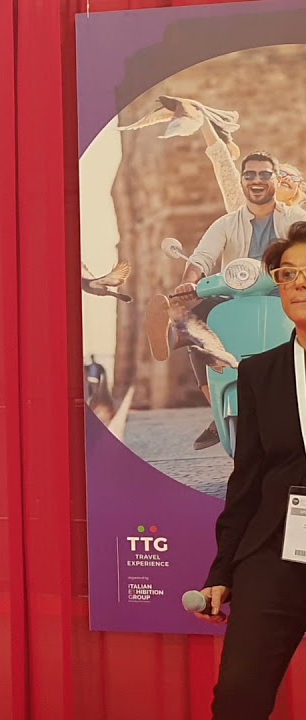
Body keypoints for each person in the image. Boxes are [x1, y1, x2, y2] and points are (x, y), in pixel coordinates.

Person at [194, 221, 306, 719]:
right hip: (274, 551)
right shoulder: (260, 371)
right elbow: (247, 480)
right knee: (238, 697)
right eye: (287, 274)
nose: (298, 284)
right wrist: (222, 569)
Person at [146, 151, 306, 450]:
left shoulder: (295, 218)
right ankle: (176, 338)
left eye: (264, 174)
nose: (257, 180)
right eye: (250, 174)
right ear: (242, 180)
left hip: (283, 294)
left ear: (274, 179)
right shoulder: (226, 223)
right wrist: (189, 280)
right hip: (236, 295)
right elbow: (202, 257)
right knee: (200, 324)